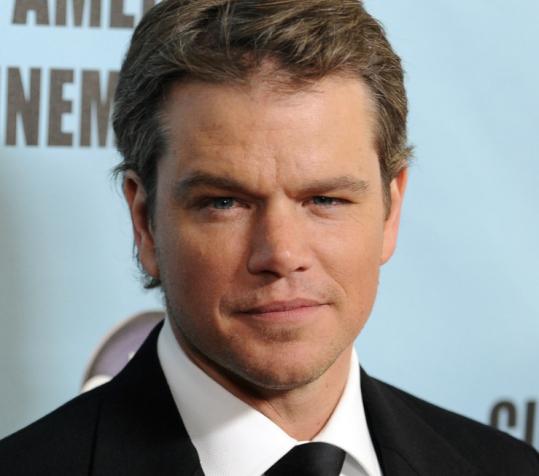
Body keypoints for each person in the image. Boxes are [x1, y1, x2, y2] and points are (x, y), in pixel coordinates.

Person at [1, 1, 538, 475]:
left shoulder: (506, 467)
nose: (281, 254)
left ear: (390, 211)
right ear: (145, 222)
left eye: (325, 199)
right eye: (225, 203)